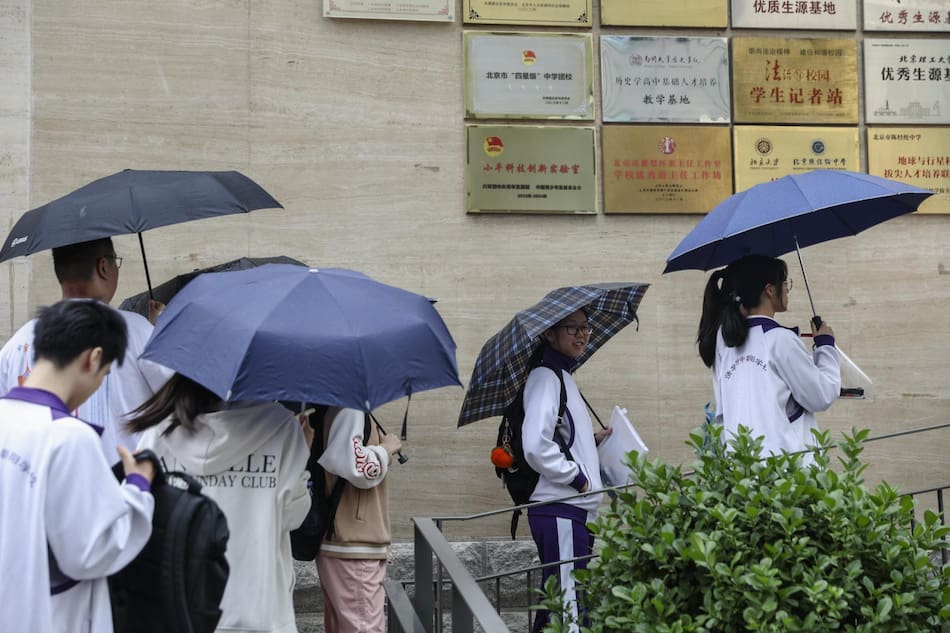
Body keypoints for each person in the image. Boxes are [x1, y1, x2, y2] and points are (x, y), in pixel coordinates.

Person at [0, 300, 155, 633]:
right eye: (104, 375)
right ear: (94, 358)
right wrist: (138, 488)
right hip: (51, 616)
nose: (98, 385)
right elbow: (89, 553)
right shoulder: (69, 437)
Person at [128, 373, 310, 633]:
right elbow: (292, 516)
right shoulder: (281, 427)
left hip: (178, 601)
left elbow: (144, 510)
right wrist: (302, 470)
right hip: (256, 606)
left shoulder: (161, 429)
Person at [0, 237, 171, 456]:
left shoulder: (19, 341)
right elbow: (180, 397)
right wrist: (160, 333)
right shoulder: (135, 331)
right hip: (127, 482)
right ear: (103, 267)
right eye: (115, 262)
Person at [697, 254, 840, 461]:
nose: (787, 290)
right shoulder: (781, 340)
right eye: (785, 283)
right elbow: (821, 395)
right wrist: (825, 346)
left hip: (741, 470)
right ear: (770, 290)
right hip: (785, 471)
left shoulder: (723, 342)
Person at [522, 309, 610, 633]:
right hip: (560, 509)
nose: (582, 334)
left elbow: (562, 440)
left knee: (558, 608)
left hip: (569, 512)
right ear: (549, 333)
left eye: (585, 327)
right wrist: (579, 478)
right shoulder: (547, 375)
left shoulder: (562, 376)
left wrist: (593, 442)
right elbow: (535, 444)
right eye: (572, 328)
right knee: (569, 612)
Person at [314, 406, 403, 633]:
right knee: (363, 627)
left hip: (346, 539)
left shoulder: (344, 409)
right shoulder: (350, 410)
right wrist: (386, 449)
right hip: (353, 542)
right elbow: (357, 467)